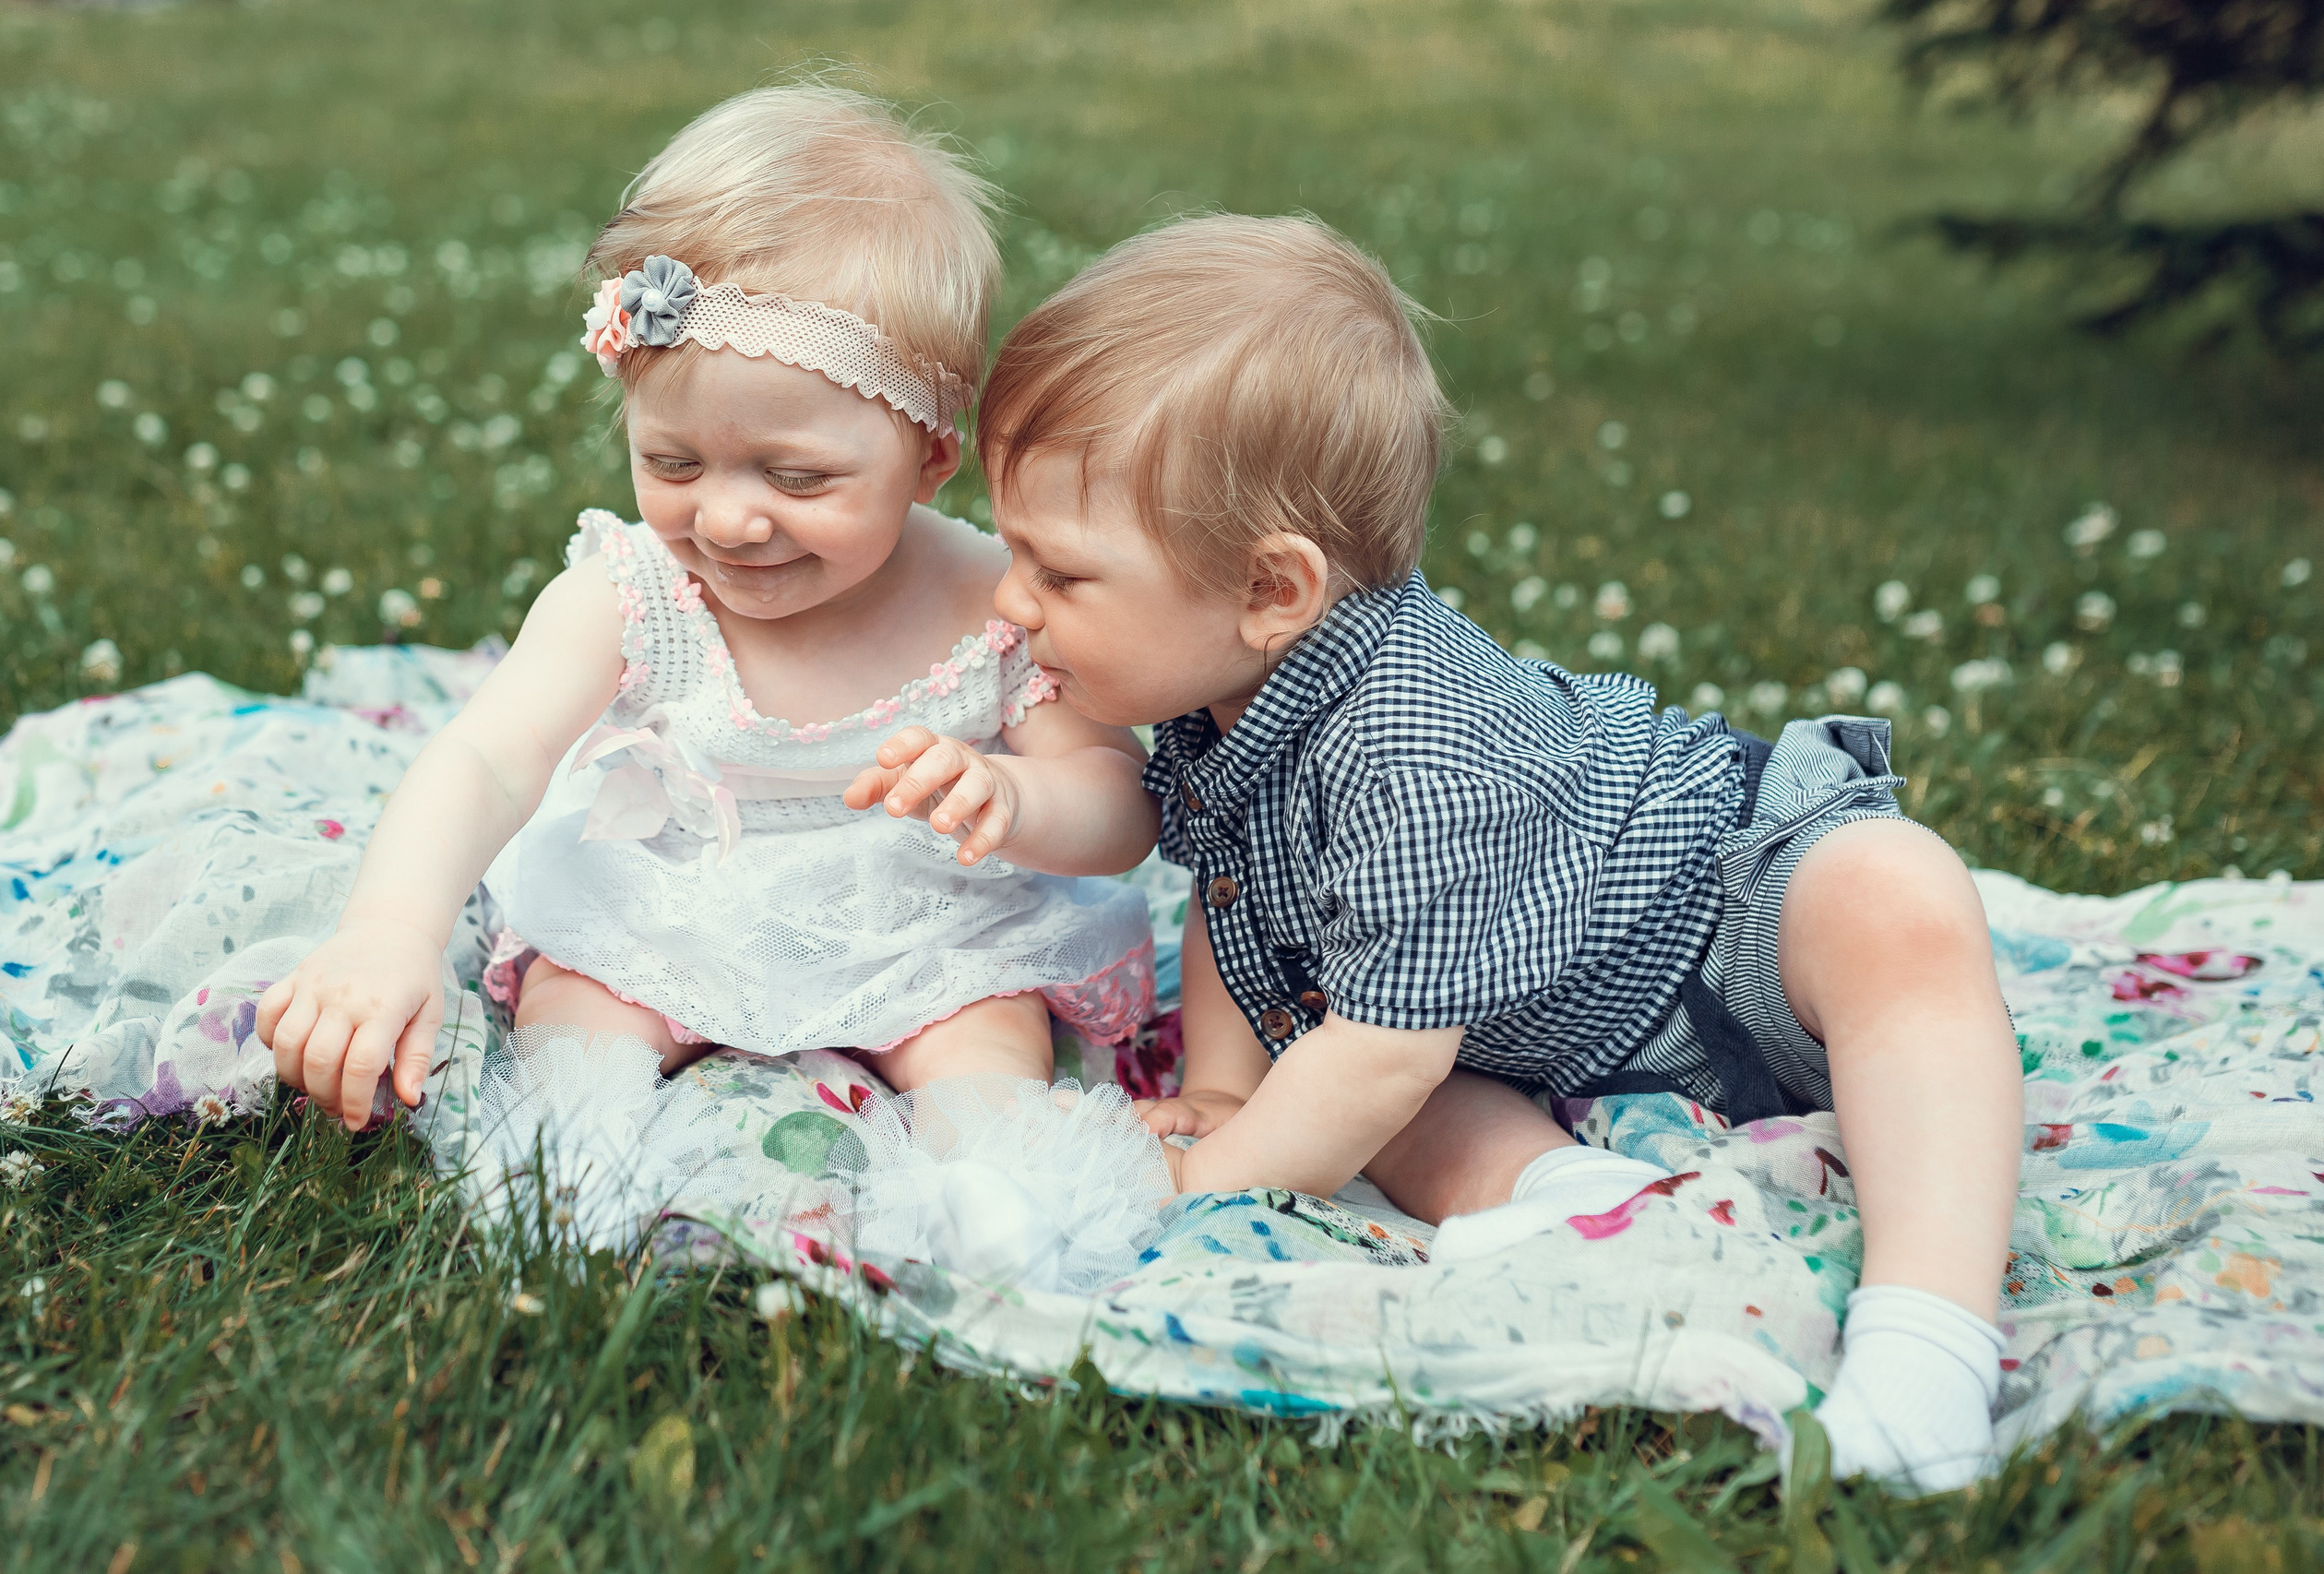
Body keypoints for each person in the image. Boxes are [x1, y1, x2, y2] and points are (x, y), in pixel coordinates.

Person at [933, 213, 2024, 1491]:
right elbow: (1234, 893)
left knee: (1897, 899)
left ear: (1272, 589)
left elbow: (1386, 1044)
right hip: (1504, 1025)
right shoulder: (1217, 691)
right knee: (1342, 1092)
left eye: (1056, 573)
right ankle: (1563, 1204)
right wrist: (1232, 1095)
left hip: (1725, 911)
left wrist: (1201, 1174)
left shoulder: (1413, 747)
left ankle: (1931, 1341)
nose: (1011, 601)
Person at [257, 85, 1160, 1135]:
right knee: (583, 1012)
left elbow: (1121, 801)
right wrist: (389, 929)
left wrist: (1015, 796)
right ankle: (563, 1180)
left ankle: (997, 1202)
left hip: (922, 921)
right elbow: (487, 758)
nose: (729, 520)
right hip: (669, 899)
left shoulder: (992, 600)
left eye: (797, 477)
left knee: (986, 1031)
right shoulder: (632, 592)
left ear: (930, 457)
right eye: (673, 461)